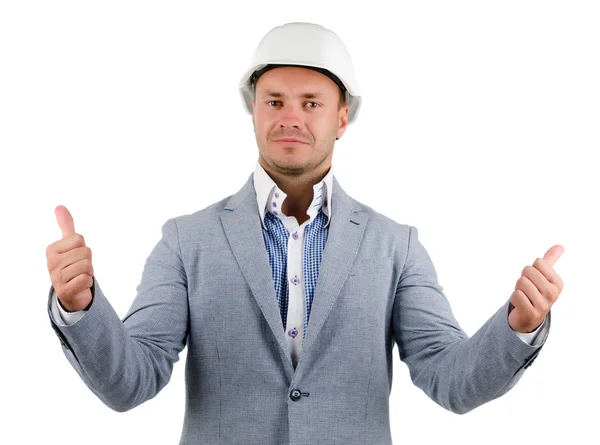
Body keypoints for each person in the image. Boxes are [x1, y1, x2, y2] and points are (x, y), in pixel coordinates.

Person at [46, 22, 565, 445]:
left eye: (311, 103)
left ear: (342, 119)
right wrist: (80, 305)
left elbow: (449, 380)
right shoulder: (186, 241)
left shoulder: (394, 246)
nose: (290, 117)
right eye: (274, 101)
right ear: (254, 112)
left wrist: (517, 324)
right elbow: (131, 381)